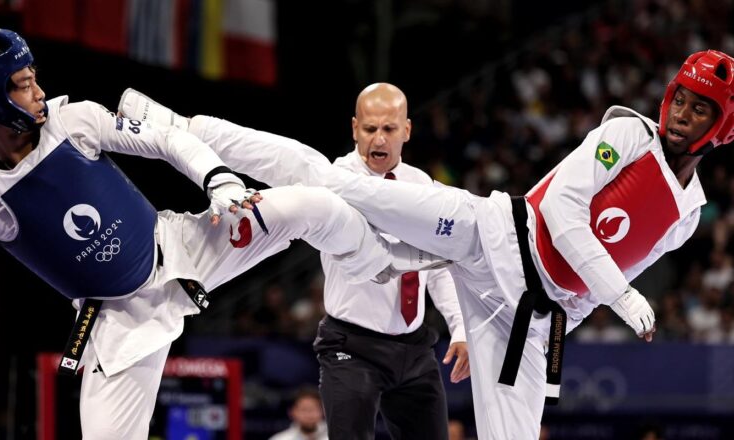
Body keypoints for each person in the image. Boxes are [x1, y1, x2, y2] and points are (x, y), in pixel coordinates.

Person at [121, 49, 734, 439]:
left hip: (520, 320)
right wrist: (624, 298)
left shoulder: (687, 214)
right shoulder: (627, 133)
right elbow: (566, 213)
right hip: (487, 237)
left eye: (699, 108)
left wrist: (550, 326)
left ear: (721, 126)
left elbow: (593, 282)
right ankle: (178, 127)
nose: (681, 113)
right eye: (679, 98)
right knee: (325, 180)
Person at [0, 29, 446, 440]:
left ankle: (388, 260)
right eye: (22, 84)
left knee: (313, 201)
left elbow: (164, 144)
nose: (38, 91)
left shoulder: (75, 120)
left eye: (34, 76)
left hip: (185, 245)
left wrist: (220, 182)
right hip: (117, 319)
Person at [311, 83, 468, 440]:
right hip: (352, 346)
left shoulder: (422, 184)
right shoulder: (334, 184)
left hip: (414, 348)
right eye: (369, 129)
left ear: (407, 131)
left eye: (388, 129)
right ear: (354, 128)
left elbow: (439, 266)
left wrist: (460, 326)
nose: (378, 140)